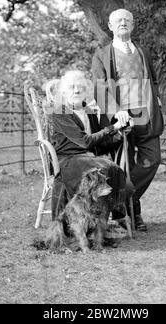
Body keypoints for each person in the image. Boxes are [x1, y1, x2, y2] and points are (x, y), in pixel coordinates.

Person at [92, 8, 164, 231]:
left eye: (127, 20)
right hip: (121, 118)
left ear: (132, 26)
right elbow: (99, 86)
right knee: (124, 165)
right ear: (110, 26)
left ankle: (120, 202)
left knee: (152, 160)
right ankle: (135, 215)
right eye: (118, 20)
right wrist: (115, 111)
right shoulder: (101, 54)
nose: (123, 23)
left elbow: (153, 80)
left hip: (146, 115)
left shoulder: (143, 51)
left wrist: (157, 100)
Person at [50, 70, 129, 226]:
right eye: (72, 87)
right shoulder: (61, 112)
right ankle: (96, 224)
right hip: (67, 159)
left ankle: (107, 220)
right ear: (64, 92)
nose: (77, 90)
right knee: (103, 170)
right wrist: (112, 127)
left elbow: (97, 144)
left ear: (86, 91)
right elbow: (85, 142)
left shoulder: (88, 111)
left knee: (113, 169)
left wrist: (120, 132)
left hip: (87, 158)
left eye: (80, 87)